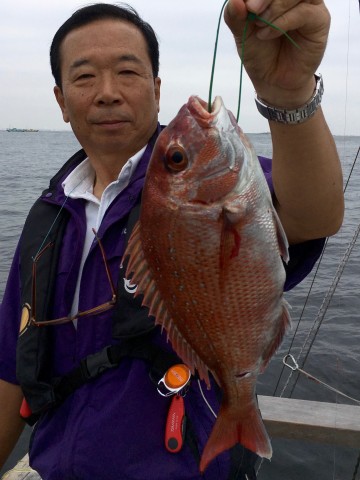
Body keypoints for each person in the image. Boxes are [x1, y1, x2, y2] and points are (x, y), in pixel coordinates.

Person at [0, 1, 344, 479]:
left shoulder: (216, 192)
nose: (107, 93)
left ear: (156, 89)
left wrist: (289, 95)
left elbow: (313, 215)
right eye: (83, 78)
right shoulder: (47, 220)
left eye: (127, 71)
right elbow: (12, 370)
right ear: (60, 100)